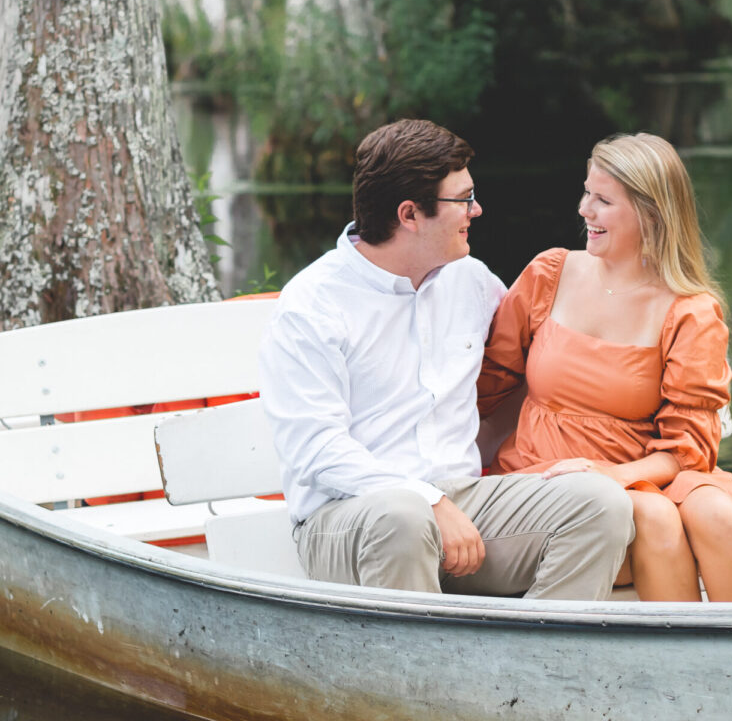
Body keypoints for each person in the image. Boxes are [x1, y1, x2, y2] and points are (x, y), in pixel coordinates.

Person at [258, 119, 634, 600]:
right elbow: (315, 449)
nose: (477, 210)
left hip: (464, 501)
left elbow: (551, 355)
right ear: (410, 214)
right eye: (463, 199)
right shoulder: (312, 306)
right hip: (349, 517)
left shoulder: (472, 282)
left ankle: (537, 663)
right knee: (402, 517)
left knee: (600, 504)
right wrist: (428, 500)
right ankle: (420, 675)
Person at [477, 132, 732, 602]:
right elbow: (481, 388)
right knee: (651, 517)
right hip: (547, 473)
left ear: (650, 213)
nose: (583, 209)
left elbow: (687, 449)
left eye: (602, 200)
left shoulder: (690, 311)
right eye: (586, 192)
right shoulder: (548, 275)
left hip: (645, 469)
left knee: (716, 514)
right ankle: (681, 661)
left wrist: (610, 473)